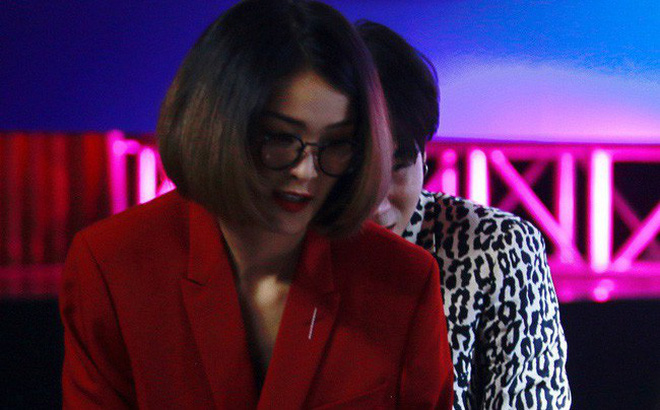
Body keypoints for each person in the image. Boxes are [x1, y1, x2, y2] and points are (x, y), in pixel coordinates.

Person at [59, 1, 454, 409]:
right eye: (281, 137)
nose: (307, 171)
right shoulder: (111, 265)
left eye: (336, 143)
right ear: (216, 124)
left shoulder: (403, 280)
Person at [358, 21, 571, 409]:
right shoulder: (286, 252)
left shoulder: (498, 248)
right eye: (357, 173)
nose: (377, 203)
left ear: (424, 154)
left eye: (398, 166)